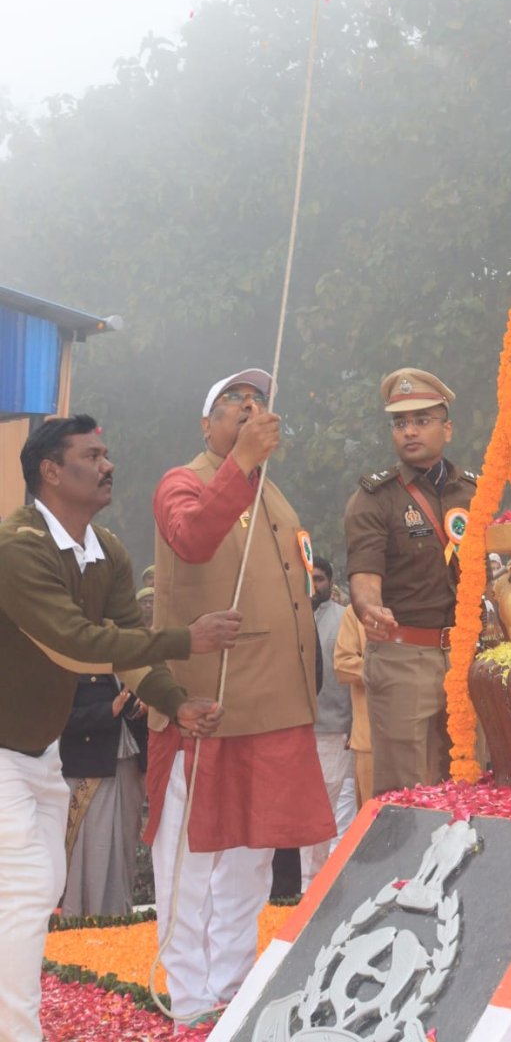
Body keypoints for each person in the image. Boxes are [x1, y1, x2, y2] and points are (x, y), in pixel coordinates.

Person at [0, 414, 238, 1042]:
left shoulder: (106, 548)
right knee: (25, 891)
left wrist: (175, 702)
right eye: (93, 455)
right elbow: (76, 646)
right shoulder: (17, 547)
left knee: (36, 887)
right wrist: (189, 637)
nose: (108, 465)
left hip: (39, 754)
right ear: (51, 471)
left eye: (107, 453)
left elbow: (130, 650)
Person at [147, 368, 334, 1025]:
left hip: (275, 705)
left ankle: (227, 984)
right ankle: (191, 997)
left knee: (253, 859)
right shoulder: (183, 479)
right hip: (208, 704)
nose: (249, 408)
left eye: (257, 402)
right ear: (207, 424)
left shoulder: (274, 495)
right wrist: (244, 462)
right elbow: (192, 536)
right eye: (233, 402)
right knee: (194, 854)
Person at [344, 368, 477, 795]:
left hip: (468, 658)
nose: (409, 431)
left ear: (447, 428)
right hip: (405, 658)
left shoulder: (475, 493)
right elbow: (365, 574)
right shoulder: (374, 498)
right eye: (400, 423)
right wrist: (369, 608)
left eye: (422, 420)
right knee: (408, 792)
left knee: (470, 781)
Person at [60, 673, 148, 916]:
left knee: (123, 853)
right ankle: (80, 923)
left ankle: (118, 923)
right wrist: (106, 711)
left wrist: (141, 711)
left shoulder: (133, 656)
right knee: (90, 854)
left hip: (128, 768)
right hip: (89, 769)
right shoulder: (74, 658)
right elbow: (61, 717)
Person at [299, 556, 356, 891]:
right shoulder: (289, 617)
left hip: (333, 729)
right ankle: (303, 884)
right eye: (308, 578)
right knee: (299, 810)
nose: (313, 585)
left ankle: (320, 884)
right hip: (293, 731)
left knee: (328, 807)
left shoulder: (344, 618)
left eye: (318, 579)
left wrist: (352, 725)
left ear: (330, 583)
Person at [333, 601, 373, 806]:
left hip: (421, 734)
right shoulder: (355, 612)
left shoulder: (423, 606)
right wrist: (390, 671)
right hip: (370, 740)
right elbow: (343, 664)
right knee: (374, 819)